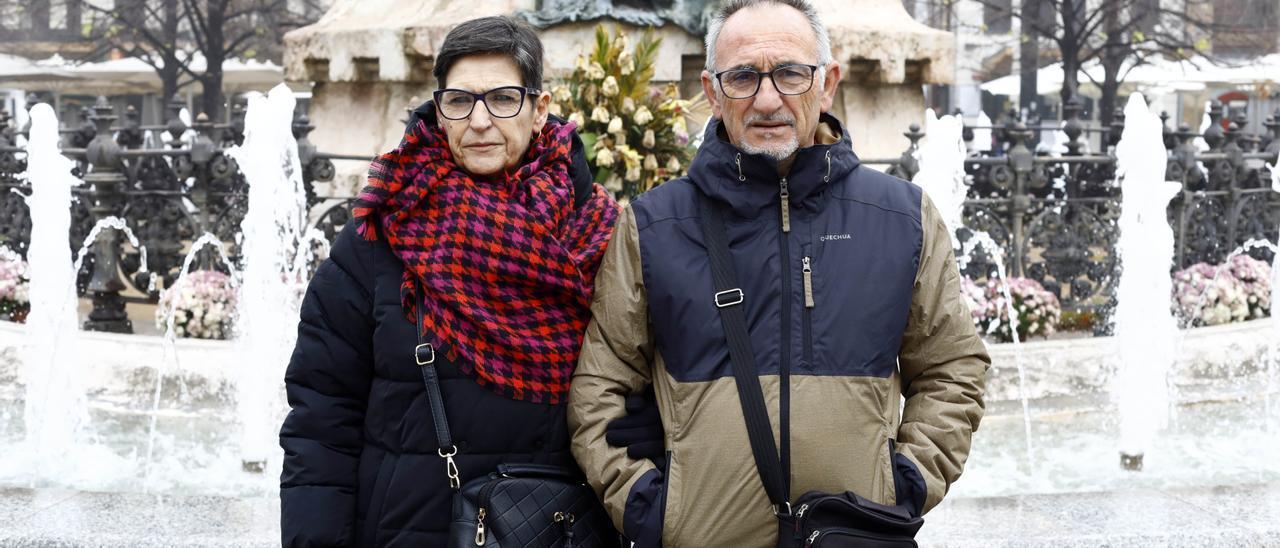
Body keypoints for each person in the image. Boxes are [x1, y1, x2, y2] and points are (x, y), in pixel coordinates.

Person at [568, 0, 991, 545]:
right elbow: (600, 384)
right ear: (713, 92)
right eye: (743, 77)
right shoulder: (653, 225)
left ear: (828, 82)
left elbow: (952, 366)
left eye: (790, 73)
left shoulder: (901, 217)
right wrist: (652, 506)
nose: (768, 99)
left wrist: (904, 482)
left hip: (858, 534)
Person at [279, 16, 621, 546]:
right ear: (439, 110)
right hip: (406, 530)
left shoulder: (598, 234)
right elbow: (322, 417)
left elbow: (633, 409)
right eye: (459, 101)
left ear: (540, 108)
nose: (480, 121)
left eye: (503, 98)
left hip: (554, 530)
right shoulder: (383, 232)